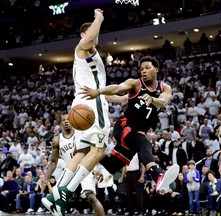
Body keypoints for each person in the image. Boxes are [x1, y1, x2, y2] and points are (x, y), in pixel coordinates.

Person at [41, 9, 127, 216]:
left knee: (82, 152)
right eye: (92, 33)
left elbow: (97, 90)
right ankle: (65, 192)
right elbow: (89, 37)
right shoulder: (82, 46)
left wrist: (120, 98)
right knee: (98, 151)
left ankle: (53, 197)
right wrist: (99, 17)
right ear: (84, 35)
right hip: (91, 106)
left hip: (85, 103)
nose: (96, 36)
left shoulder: (88, 55)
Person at [80, 56, 179, 198]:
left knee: (112, 166)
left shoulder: (165, 87)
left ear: (156, 69)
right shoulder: (135, 84)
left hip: (135, 134)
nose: (143, 71)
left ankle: (87, 147)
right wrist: (99, 91)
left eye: (147, 68)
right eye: (141, 69)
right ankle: (158, 176)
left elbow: (163, 101)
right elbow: (118, 88)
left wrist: (153, 100)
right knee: (145, 142)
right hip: (125, 126)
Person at [43, 114, 105, 216]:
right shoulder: (56, 140)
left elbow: (93, 152)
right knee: (54, 198)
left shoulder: (81, 135)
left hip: (85, 170)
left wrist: (98, 169)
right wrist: (46, 178)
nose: (66, 121)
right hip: (69, 173)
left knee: (91, 197)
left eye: (68, 119)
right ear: (60, 123)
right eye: (64, 120)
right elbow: (54, 162)